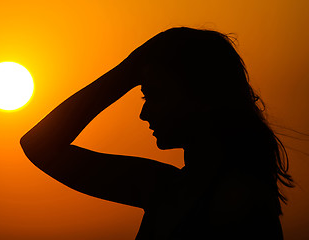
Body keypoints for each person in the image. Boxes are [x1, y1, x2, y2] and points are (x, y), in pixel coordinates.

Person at [20, 27, 294, 239]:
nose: (144, 113)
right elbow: (38, 145)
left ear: (203, 98)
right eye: (144, 96)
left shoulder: (240, 202)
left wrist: (129, 69)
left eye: (156, 95)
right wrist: (131, 67)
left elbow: (40, 146)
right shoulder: (163, 188)